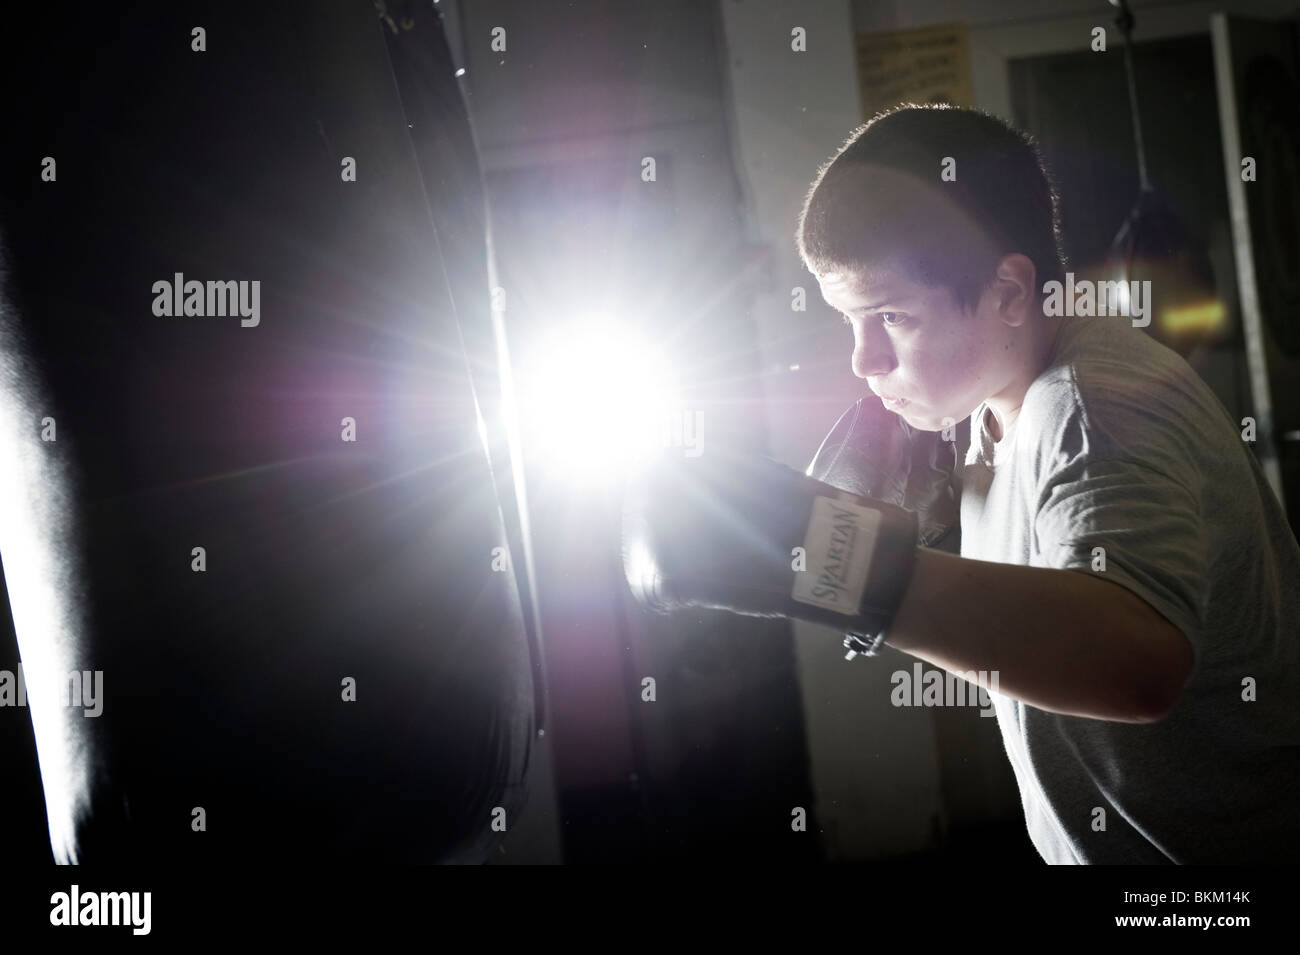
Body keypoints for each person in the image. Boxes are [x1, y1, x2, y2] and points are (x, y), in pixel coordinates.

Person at [793, 103, 1300, 863]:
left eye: (891, 315)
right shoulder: (983, 407)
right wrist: (918, 522)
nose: (862, 360)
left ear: (1005, 292)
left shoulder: (1093, 406)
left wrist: (859, 572)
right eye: (848, 321)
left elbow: (1138, 662)